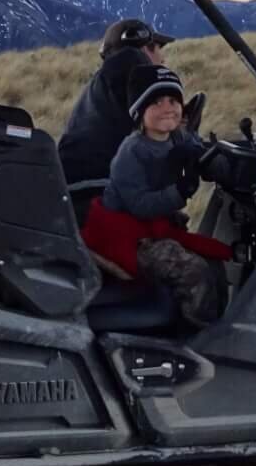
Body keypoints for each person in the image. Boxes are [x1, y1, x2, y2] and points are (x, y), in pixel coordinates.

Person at [80, 64, 231, 324]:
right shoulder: (132, 152)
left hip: (154, 225)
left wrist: (215, 160)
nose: (168, 108)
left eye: (173, 100)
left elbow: (200, 153)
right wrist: (179, 192)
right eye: (156, 102)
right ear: (140, 112)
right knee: (192, 270)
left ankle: (217, 317)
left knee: (215, 261)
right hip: (127, 234)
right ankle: (200, 332)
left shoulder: (178, 138)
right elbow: (139, 205)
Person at [57, 19, 203, 196]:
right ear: (140, 46)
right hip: (98, 186)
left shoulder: (104, 86)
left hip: (78, 185)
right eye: (155, 48)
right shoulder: (130, 60)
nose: (162, 59)